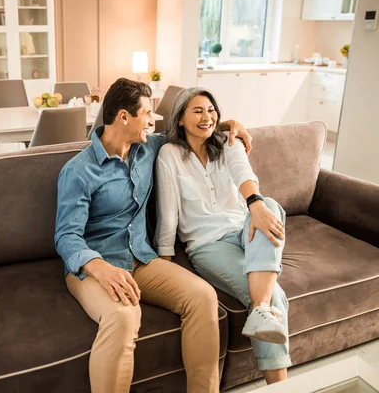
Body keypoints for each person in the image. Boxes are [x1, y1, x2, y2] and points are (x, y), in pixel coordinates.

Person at [54, 78, 252, 393]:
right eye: (146, 113)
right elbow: (66, 237)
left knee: (203, 297)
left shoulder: (150, 147)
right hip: (94, 268)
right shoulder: (78, 171)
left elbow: (189, 127)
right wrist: (102, 269)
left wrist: (228, 124)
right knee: (123, 318)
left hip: (142, 258)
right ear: (122, 117)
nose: (152, 120)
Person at [154, 87, 291, 385]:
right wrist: (165, 260)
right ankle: (281, 386)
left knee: (269, 206)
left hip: (245, 228)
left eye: (212, 110)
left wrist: (255, 204)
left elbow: (244, 173)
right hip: (208, 245)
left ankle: (261, 309)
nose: (208, 117)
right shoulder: (169, 155)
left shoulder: (228, 143)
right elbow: (168, 214)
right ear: (180, 119)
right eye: (198, 111)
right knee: (275, 295)